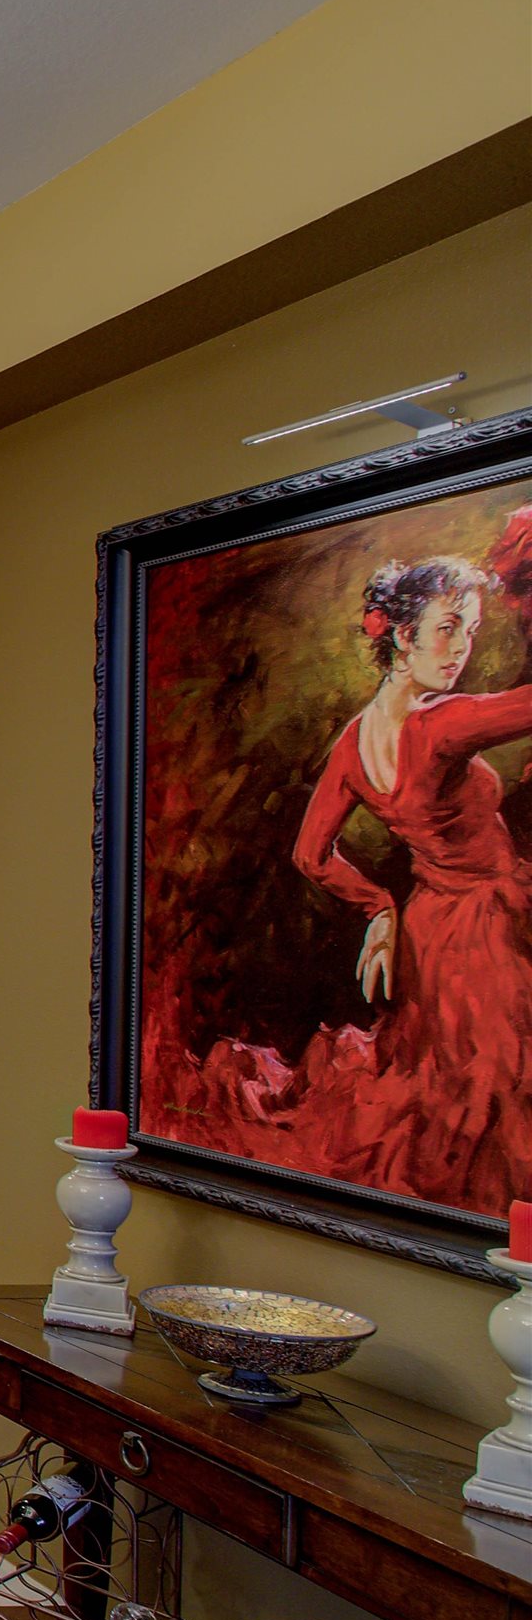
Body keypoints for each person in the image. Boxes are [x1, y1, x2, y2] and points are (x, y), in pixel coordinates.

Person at [167, 506, 532, 1215]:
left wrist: (383, 907)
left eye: (471, 629)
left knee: (456, 1095)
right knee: (495, 1095)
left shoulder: (354, 743)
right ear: (402, 634)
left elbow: (311, 855)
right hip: (488, 932)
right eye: (447, 627)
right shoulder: (444, 723)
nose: (460, 647)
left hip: (430, 926)